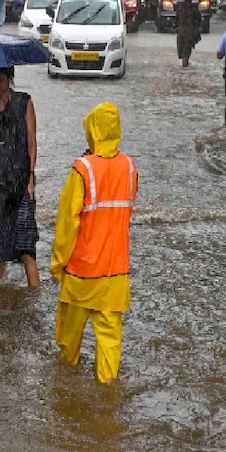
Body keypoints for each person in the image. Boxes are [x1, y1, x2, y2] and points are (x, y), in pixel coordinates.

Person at [51, 102, 138, 384]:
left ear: (92, 130)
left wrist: (57, 264)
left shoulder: (82, 170)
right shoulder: (129, 167)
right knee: (110, 341)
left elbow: (67, 223)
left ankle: (65, 392)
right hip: (116, 273)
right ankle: (108, 395)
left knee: (68, 341)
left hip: (82, 273)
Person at [0, 67, 40, 290]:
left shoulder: (24, 102)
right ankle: (0, 293)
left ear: (9, 79)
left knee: (25, 249)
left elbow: (31, 142)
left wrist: (31, 178)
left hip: (20, 183)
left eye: (1, 81)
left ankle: (35, 298)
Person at [176, 0, 202, 67]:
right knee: (187, 50)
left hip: (181, 31)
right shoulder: (193, 8)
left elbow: (176, 19)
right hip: (190, 32)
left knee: (182, 49)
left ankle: (184, 64)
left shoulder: (180, 8)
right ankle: (185, 65)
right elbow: (199, 19)